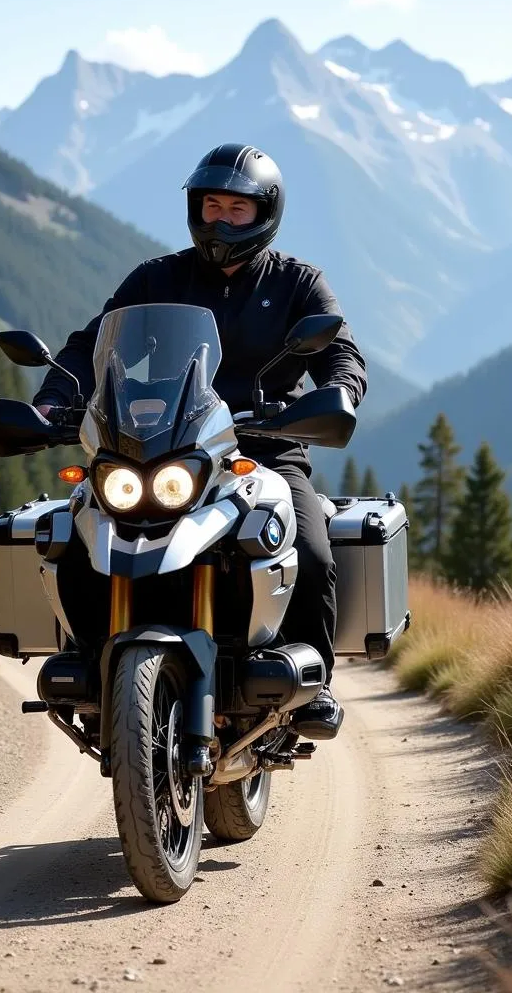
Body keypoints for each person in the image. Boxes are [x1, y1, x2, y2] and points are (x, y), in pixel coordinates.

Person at [31, 143, 368, 738]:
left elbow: (342, 356)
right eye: (211, 205)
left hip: (262, 449)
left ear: (264, 212)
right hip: (161, 450)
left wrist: (334, 393)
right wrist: (55, 396)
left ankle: (315, 687)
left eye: (236, 209)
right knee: (78, 535)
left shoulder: (298, 284)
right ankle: (90, 660)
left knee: (311, 551)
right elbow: (92, 343)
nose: (220, 220)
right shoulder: (159, 278)